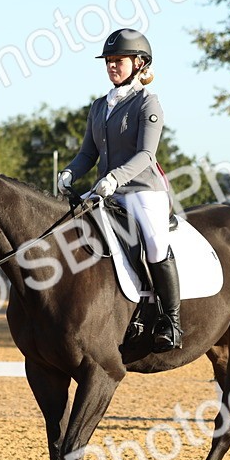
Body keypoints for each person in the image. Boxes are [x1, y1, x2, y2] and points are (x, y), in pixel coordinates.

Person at [57, 28, 182, 352]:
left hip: (142, 188)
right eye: (109, 61)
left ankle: (171, 319)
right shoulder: (99, 106)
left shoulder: (147, 102)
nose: (112, 66)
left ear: (140, 63)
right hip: (107, 190)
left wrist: (115, 177)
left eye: (119, 60)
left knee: (154, 244)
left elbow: (146, 155)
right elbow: (88, 153)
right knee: (67, 226)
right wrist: (70, 172)